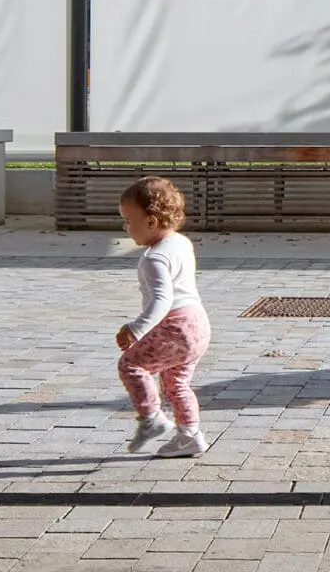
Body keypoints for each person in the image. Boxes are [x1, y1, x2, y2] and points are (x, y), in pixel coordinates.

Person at [115, 176, 212, 455]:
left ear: (150, 222)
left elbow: (162, 299)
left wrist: (136, 329)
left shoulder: (154, 258)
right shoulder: (180, 242)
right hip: (198, 324)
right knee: (176, 384)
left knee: (131, 365)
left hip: (175, 326)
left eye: (129, 221)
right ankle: (190, 435)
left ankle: (151, 419)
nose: (126, 228)